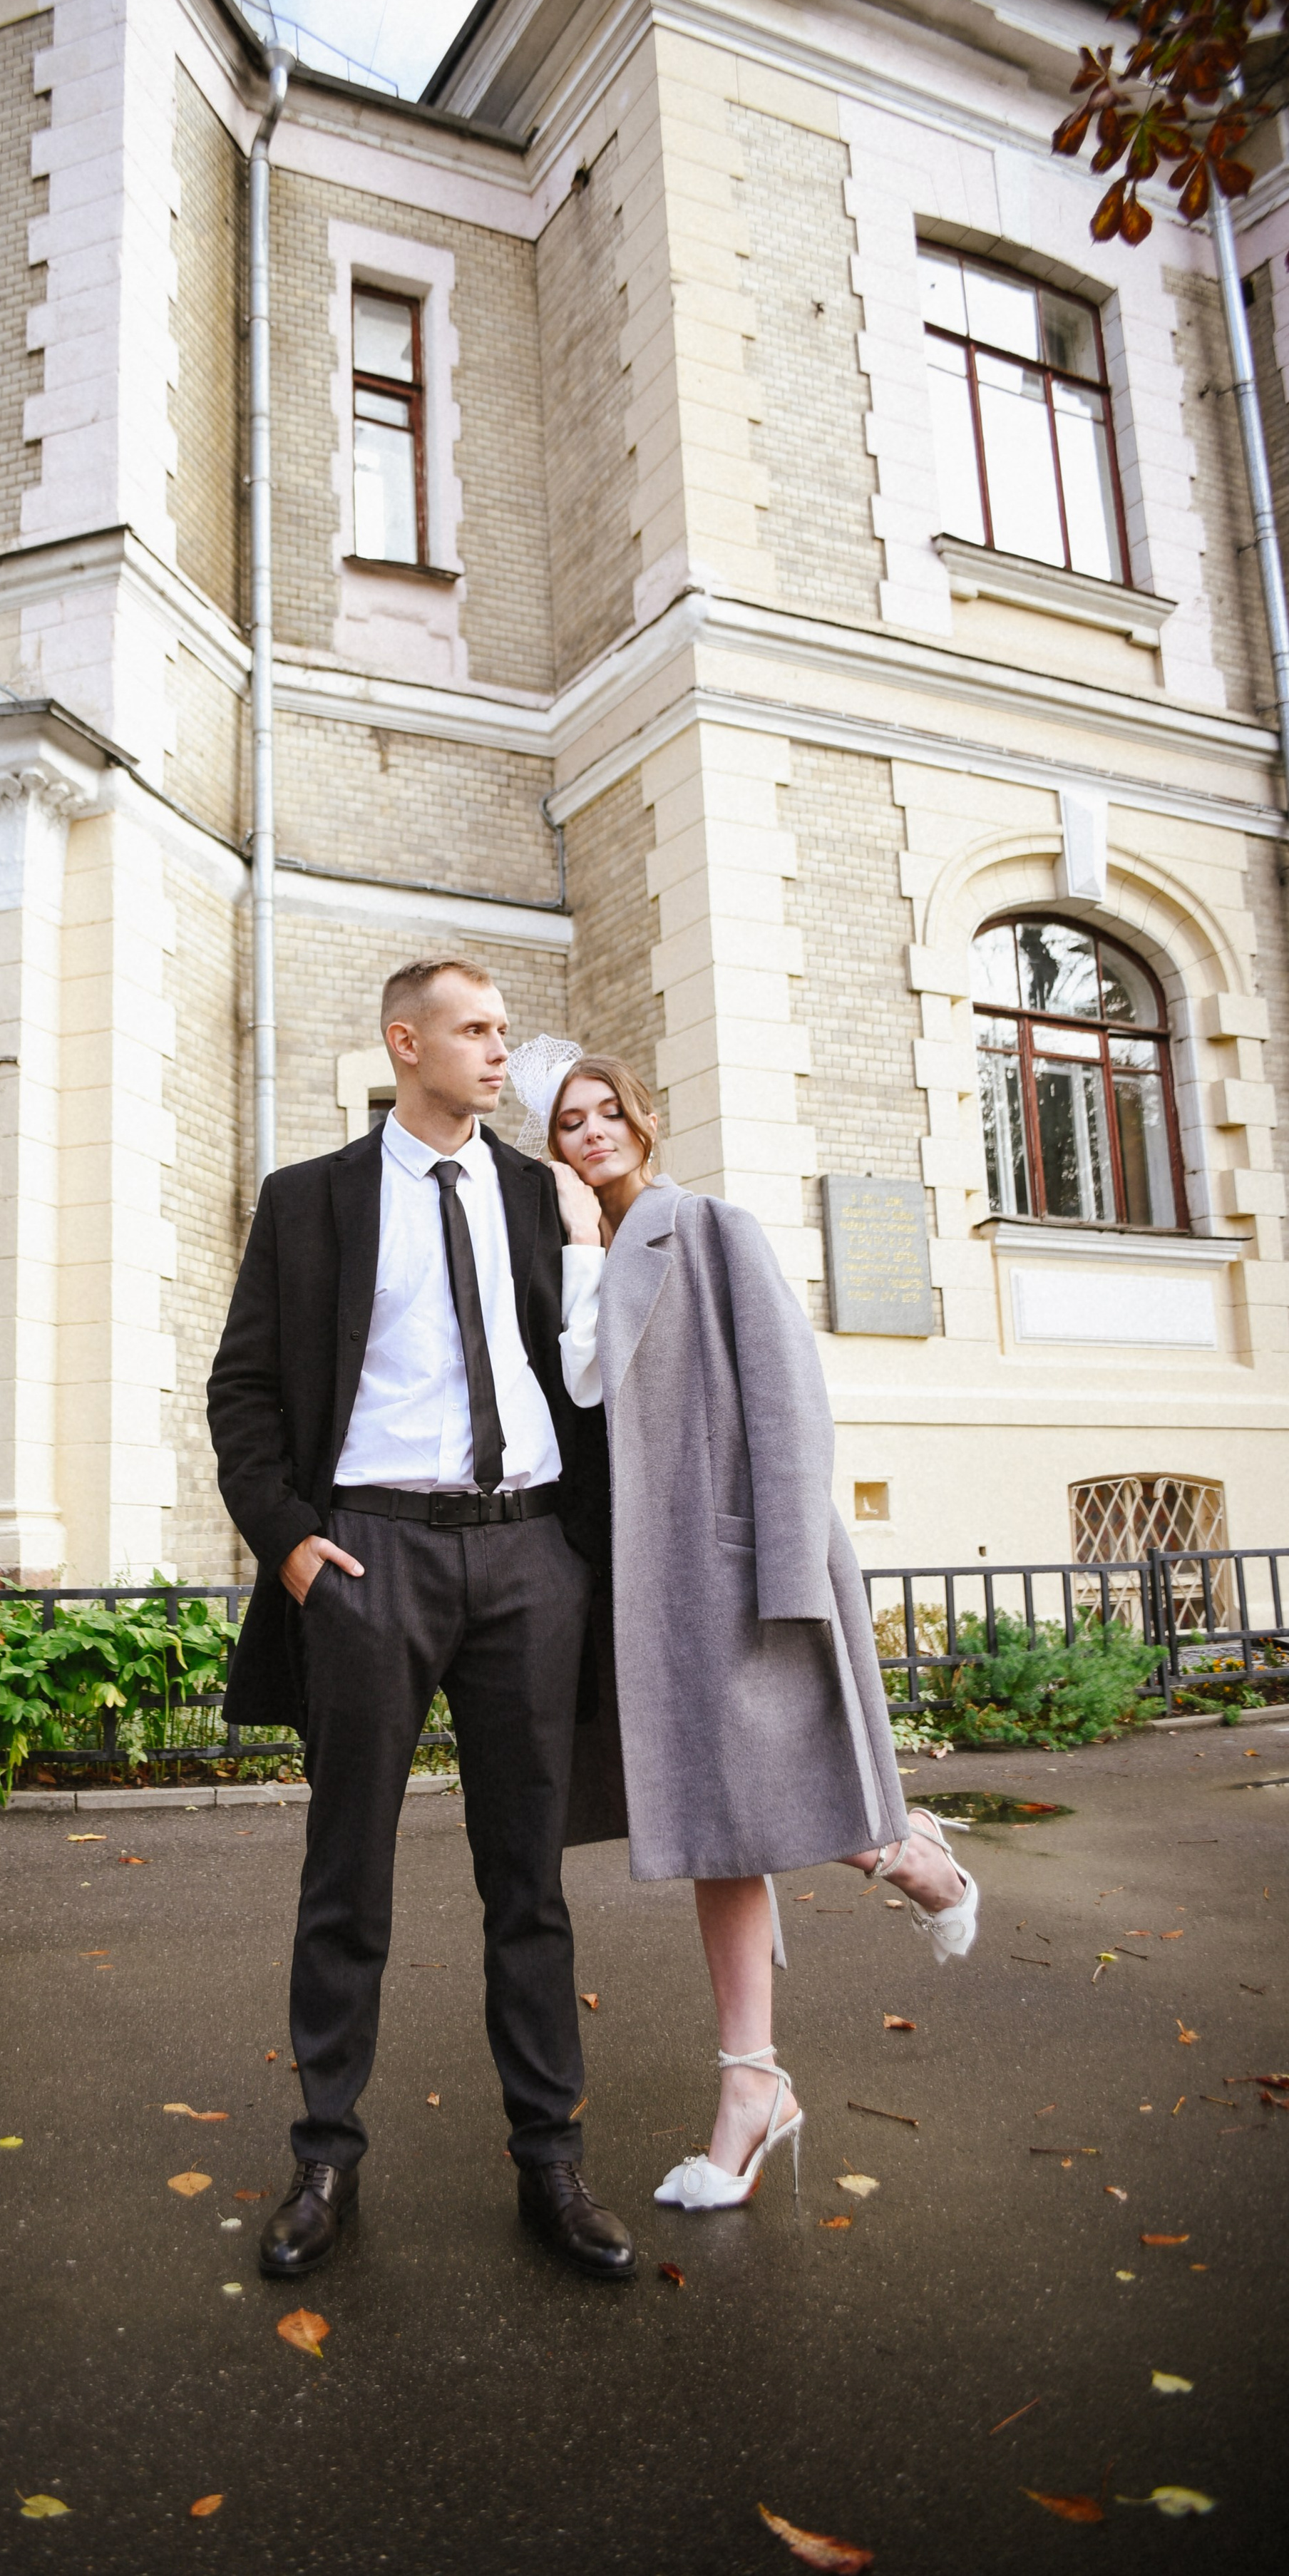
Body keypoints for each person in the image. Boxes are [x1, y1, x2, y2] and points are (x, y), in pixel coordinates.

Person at [207, 964, 635, 2282]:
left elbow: (600, 1374)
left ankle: (551, 2164)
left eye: (507, 1030)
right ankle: (325, 2156)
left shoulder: (533, 1193)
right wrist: (290, 1548)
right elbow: (244, 1393)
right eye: (477, 1030)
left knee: (532, 1883)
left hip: (527, 1559)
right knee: (348, 1876)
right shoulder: (311, 1200)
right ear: (407, 1043)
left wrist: (580, 1556)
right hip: (370, 1558)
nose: (503, 1051)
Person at [526, 1045, 978, 2212]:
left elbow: (788, 1397)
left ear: (645, 1121)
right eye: (570, 1123)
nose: (592, 1133)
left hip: (732, 1561)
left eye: (607, 1113)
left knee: (739, 1794)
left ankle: (903, 1851)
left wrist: (788, 1568)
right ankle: (753, 2085)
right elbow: (582, 1395)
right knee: (712, 1823)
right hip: (643, 1579)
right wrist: (581, 1249)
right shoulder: (579, 1253)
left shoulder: (710, 1227)